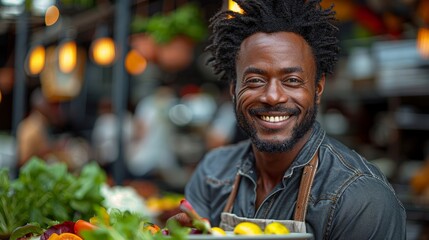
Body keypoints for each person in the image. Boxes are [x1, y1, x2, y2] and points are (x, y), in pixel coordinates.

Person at [169, 0, 407, 239]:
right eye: (255, 80)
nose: (273, 96)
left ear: (318, 89)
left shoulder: (360, 198)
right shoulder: (213, 174)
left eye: (292, 80)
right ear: (233, 89)